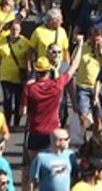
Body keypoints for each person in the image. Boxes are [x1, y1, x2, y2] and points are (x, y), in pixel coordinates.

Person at [22, 45, 83, 179]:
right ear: (49, 71)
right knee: (53, 166)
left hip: (34, 131)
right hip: (52, 133)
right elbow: (73, 68)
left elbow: (23, 112)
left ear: (36, 71)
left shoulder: (30, 88)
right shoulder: (57, 85)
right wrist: (80, 45)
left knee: (32, 168)